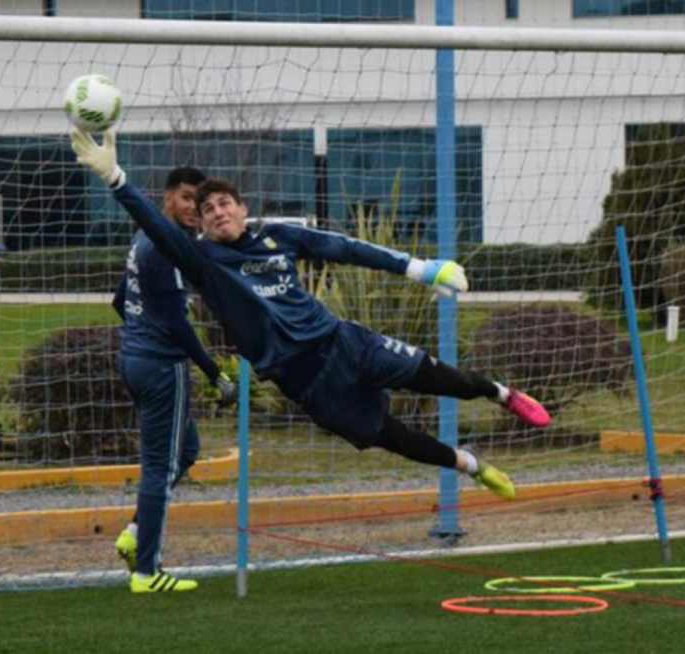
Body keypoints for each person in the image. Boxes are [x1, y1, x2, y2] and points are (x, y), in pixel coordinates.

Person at [74, 130, 550, 580]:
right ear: (201, 224)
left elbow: (344, 248)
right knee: (391, 436)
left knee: (437, 376)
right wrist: (115, 178)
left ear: (243, 209)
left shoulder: (280, 235)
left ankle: (503, 394)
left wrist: (420, 268)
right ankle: (470, 464)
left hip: (345, 342)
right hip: (309, 384)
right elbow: (154, 225)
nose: (217, 211)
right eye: (207, 209)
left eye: (224, 203)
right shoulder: (203, 262)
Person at [110, 166, 236, 594]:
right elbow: (179, 325)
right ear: (166, 198)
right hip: (162, 366)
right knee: (160, 466)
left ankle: (134, 533)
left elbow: (118, 299)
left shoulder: (147, 235)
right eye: (185, 198)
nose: (192, 208)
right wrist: (215, 374)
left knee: (188, 449)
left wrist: (139, 332)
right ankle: (147, 572)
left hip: (134, 358)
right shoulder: (165, 248)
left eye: (196, 202)